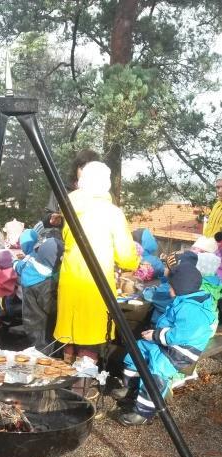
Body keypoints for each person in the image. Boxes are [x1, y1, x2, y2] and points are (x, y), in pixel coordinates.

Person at [54, 161, 139, 363]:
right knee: (90, 336)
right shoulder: (112, 213)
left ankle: (63, 378)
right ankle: (80, 386)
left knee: (70, 333)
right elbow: (126, 255)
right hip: (95, 281)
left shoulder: (69, 206)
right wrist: (134, 264)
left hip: (69, 277)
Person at [112, 261, 216, 426]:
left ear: (181, 287)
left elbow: (178, 336)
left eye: (171, 286)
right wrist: (154, 336)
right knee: (138, 348)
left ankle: (144, 411)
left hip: (182, 350)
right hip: (169, 342)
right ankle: (130, 386)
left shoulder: (192, 310)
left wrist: (155, 335)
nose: (169, 289)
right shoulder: (184, 300)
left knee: (157, 369)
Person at [13, 230, 62, 349]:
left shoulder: (30, 259)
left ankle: (39, 350)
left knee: (34, 329)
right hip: (47, 285)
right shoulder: (45, 276)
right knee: (50, 322)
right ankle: (48, 353)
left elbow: (18, 267)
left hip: (29, 291)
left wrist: (14, 262)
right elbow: (50, 307)